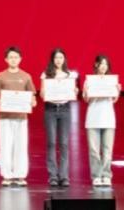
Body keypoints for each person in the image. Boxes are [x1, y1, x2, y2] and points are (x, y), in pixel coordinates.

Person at [0, 46, 37, 187]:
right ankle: (7, 175)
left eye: (16, 57)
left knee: (21, 146)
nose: (13, 59)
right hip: (5, 117)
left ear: (20, 59)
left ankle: (20, 175)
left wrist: (33, 102)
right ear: (6, 59)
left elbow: (32, 95)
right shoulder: (0, 76)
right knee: (5, 146)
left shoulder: (26, 76)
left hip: (21, 117)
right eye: (11, 57)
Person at [40, 48, 78, 187]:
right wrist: (44, 92)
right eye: (56, 57)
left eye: (61, 57)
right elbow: (42, 94)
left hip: (65, 109)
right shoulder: (46, 74)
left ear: (64, 59)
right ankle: (53, 176)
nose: (58, 60)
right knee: (51, 142)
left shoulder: (69, 75)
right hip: (50, 109)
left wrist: (74, 91)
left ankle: (64, 176)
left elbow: (73, 92)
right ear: (52, 59)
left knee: (64, 143)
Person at [84, 54, 119, 187]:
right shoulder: (90, 80)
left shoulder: (112, 81)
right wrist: (86, 91)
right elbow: (86, 99)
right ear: (96, 65)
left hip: (108, 117)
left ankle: (106, 175)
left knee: (107, 149)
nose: (104, 66)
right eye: (101, 63)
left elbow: (114, 99)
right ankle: (96, 175)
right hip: (93, 117)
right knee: (94, 150)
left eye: (106, 64)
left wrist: (117, 91)